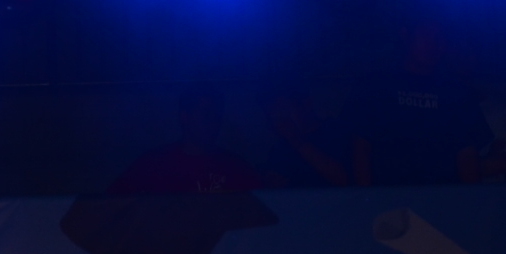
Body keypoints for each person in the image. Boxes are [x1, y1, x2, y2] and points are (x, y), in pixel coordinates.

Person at [351, 20, 494, 186]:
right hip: (386, 196)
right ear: (405, 35)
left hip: (444, 196)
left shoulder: (457, 91)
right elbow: (359, 147)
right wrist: (365, 196)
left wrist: (470, 198)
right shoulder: (374, 85)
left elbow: (468, 155)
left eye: (440, 37)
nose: (433, 44)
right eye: (426, 35)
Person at [110, 84, 262, 195]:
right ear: (185, 117)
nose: (213, 121)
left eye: (217, 115)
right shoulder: (154, 164)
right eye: (206, 114)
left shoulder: (236, 167)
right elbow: (115, 201)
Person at [261, 92, 352, 188]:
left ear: (303, 105)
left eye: (282, 110)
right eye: (271, 115)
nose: (279, 120)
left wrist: (297, 141)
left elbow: (344, 179)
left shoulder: (335, 132)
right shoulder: (278, 151)